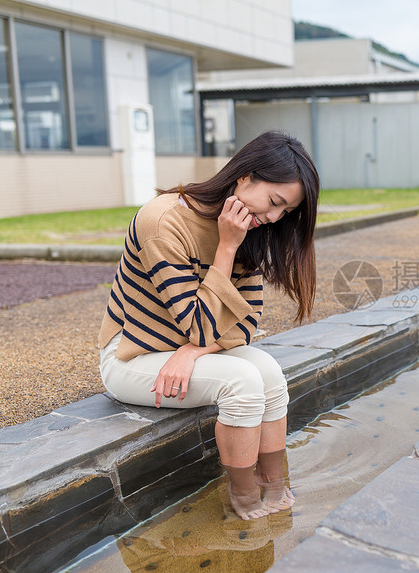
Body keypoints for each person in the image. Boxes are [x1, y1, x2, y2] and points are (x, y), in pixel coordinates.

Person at [98, 131, 319, 520]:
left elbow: (247, 321)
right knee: (243, 382)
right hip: (133, 356)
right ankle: (244, 492)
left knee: (269, 372)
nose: (272, 218)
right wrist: (226, 247)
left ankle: (273, 480)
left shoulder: (251, 228)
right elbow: (200, 325)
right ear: (245, 177)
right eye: (274, 203)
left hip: (185, 352)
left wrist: (192, 353)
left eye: (284, 213)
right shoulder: (164, 220)